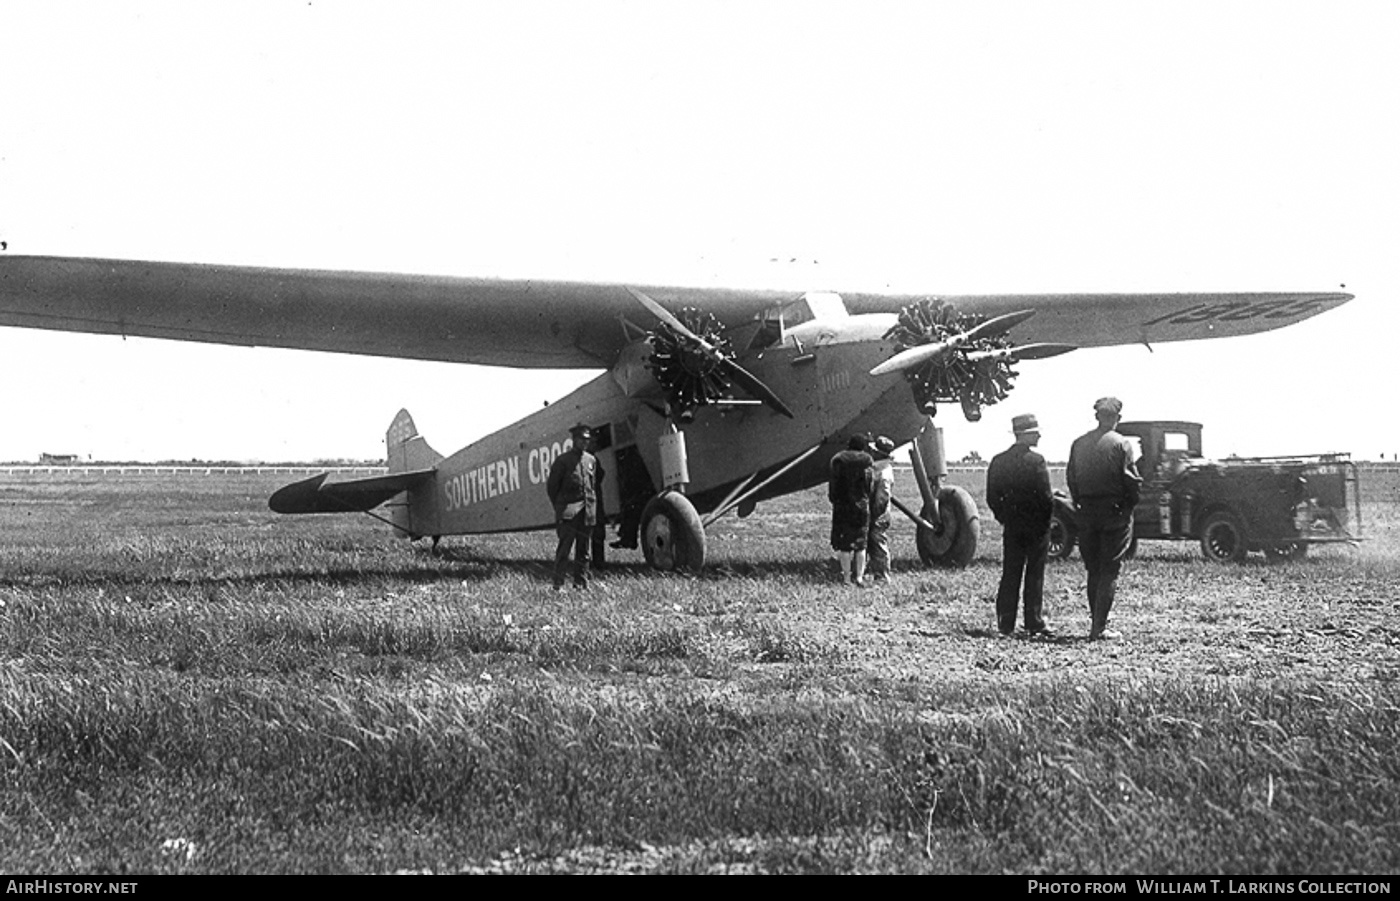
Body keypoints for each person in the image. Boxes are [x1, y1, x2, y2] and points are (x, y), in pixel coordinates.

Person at [1066, 397, 1142, 640]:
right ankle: (1099, 628)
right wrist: (1129, 505)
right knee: (1110, 569)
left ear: (1097, 416)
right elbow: (1131, 481)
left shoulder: (1078, 444)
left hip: (1086, 511)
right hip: (1114, 513)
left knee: (1093, 569)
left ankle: (1095, 623)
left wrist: (1081, 501)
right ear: (1117, 418)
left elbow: (1072, 480)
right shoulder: (1122, 445)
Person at [986, 414, 1054, 638]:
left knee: (1010, 573)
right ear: (1028, 435)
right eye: (1036, 432)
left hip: (1012, 526)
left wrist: (1004, 517)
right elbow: (1045, 497)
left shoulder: (998, 461)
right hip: (1036, 527)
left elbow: (992, 497)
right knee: (1034, 574)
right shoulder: (1037, 462)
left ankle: (1005, 623)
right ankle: (1033, 621)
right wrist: (1045, 524)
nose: (1039, 435)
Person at [546, 423, 599, 590]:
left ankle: (581, 584)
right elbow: (552, 488)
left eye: (587, 440)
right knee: (564, 550)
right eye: (582, 439)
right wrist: (562, 508)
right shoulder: (563, 461)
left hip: (587, 512)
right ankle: (558, 584)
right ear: (574, 440)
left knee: (584, 551)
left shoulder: (591, 460)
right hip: (569, 512)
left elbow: (593, 484)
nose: (585, 443)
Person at [829, 434, 875, 586]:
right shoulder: (867, 460)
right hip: (861, 506)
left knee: (844, 544)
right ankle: (860, 577)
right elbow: (869, 484)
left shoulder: (838, 459)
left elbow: (834, 484)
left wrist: (834, 499)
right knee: (861, 543)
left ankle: (847, 578)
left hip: (842, 506)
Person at [866, 435, 897, 583]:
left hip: (879, 515)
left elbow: (882, 499)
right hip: (878, 513)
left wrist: (873, 514)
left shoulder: (883, 473)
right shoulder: (881, 469)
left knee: (878, 542)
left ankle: (883, 575)